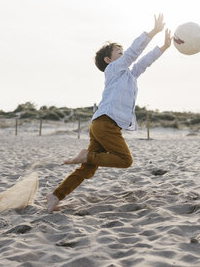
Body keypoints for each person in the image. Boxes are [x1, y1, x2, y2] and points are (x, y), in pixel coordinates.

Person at [46, 14, 172, 212]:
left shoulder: (128, 74)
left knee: (88, 168)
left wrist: (163, 47)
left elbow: (144, 62)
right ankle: (86, 156)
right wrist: (153, 32)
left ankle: (55, 195)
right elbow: (134, 53)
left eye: (122, 52)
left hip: (101, 124)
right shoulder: (113, 69)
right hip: (106, 124)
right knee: (125, 160)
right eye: (118, 52)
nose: (123, 55)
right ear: (108, 59)